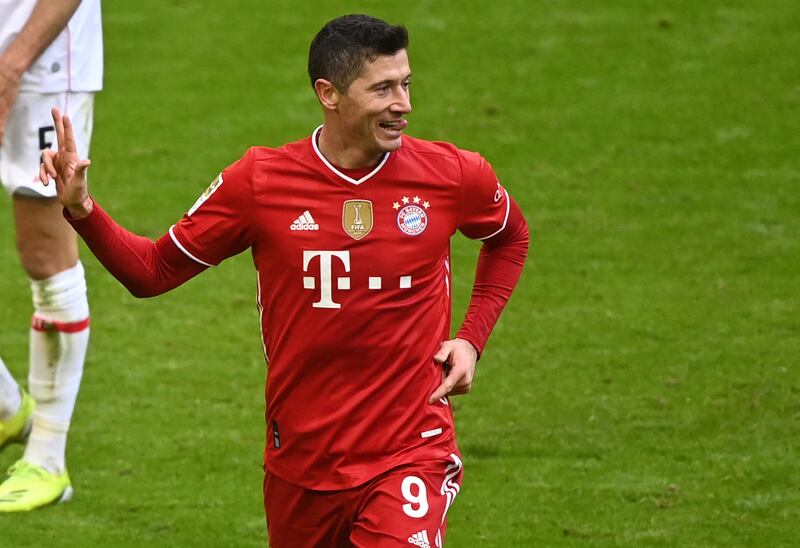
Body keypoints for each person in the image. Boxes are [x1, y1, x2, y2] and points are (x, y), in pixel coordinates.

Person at [44, 14, 527, 546]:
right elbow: (151, 272)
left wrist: (472, 339)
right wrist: (82, 208)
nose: (404, 104)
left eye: (406, 84)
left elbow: (509, 237)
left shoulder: (453, 175)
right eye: (384, 88)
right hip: (303, 462)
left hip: (411, 451)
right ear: (330, 93)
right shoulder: (259, 183)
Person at [0, 0, 102, 512]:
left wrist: (11, 64)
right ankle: (3, 406)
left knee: (45, 250)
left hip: (40, 65)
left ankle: (47, 458)